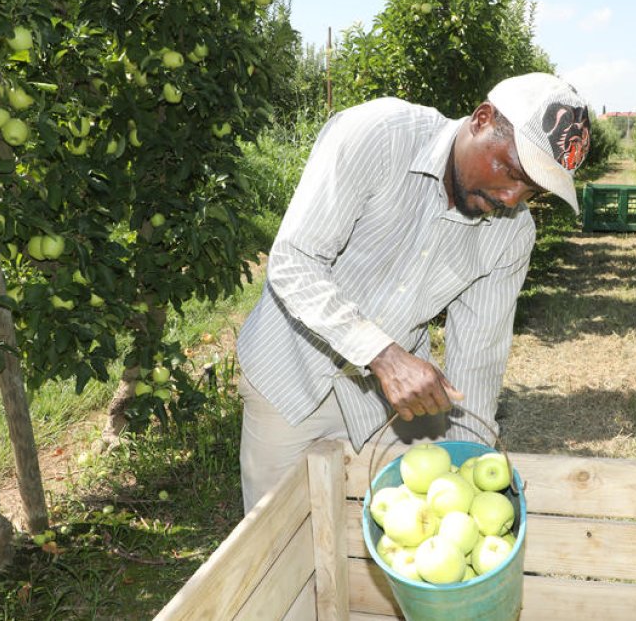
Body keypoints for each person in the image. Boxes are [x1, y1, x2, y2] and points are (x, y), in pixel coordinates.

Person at [235, 73, 591, 512]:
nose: (512, 197)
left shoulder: (510, 236)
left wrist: (477, 477)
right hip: (288, 373)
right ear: (481, 120)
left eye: (531, 190)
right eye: (512, 171)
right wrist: (384, 356)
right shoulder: (378, 135)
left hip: (378, 402)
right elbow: (295, 260)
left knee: (386, 534)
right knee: (278, 544)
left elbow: (476, 361)